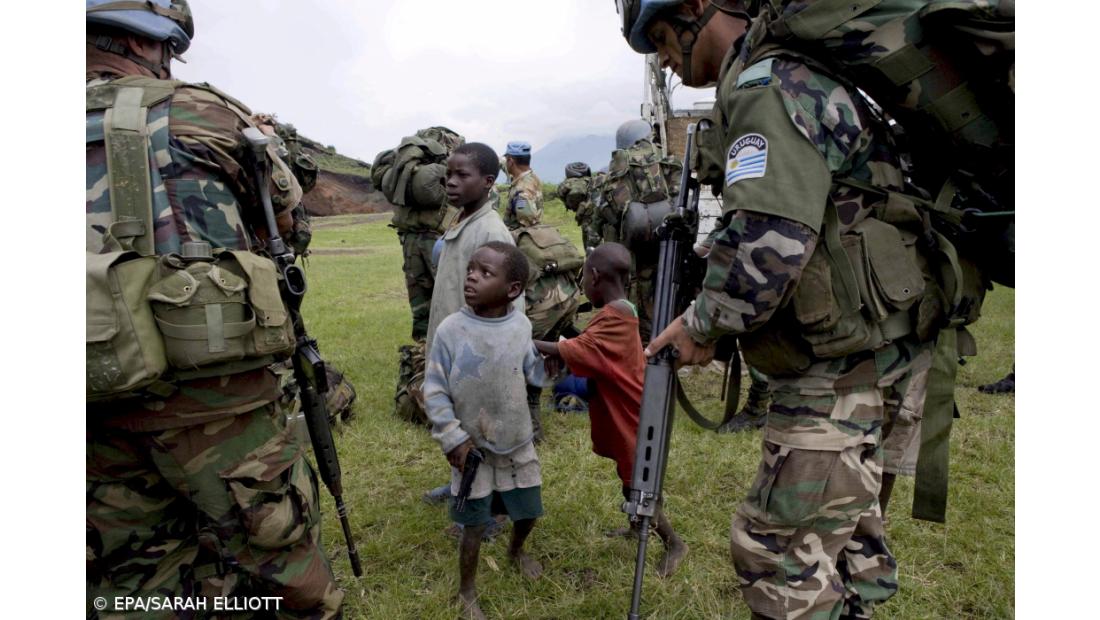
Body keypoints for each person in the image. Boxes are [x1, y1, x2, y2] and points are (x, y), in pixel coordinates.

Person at [618, 1, 941, 617]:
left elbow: (773, 245)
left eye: (661, 38)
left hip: (839, 373)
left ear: (696, 11)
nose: (663, 58)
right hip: (879, 348)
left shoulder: (766, 88)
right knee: (846, 541)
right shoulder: (797, 73)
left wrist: (703, 324)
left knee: (779, 554)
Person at [85, 1, 342, 616]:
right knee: (278, 561)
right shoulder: (203, 112)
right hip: (214, 399)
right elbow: (288, 225)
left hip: (90, 395)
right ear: (151, 43)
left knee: (130, 580)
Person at [534, 242, 687, 577]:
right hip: (626, 407)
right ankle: (635, 527)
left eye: (584, 278)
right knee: (627, 477)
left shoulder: (616, 316)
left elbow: (584, 349)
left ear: (594, 276)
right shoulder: (619, 309)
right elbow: (588, 350)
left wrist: (526, 341)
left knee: (639, 485)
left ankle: (674, 542)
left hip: (635, 417)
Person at [424, 242, 549, 620]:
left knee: (527, 509)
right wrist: (452, 437)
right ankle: (467, 590)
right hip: (471, 450)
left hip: (516, 440)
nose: (471, 277)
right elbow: (434, 389)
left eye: (484, 273)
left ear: (512, 289)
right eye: (470, 269)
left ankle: (516, 550)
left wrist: (548, 370)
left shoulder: (521, 325)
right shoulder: (451, 330)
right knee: (474, 525)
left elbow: (529, 370)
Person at [421, 142, 520, 533]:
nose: (451, 182)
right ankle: (462, 485)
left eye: (463, 175)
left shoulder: (491, 230)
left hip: (478, 355)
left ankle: (489, 514)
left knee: (484, 433)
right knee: (461, 427)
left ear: (488, 181)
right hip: (454, 348)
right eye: (449, 174)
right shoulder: (463, 219)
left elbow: (507, 299)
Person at [502, 141, 580, 442]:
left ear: (511, 161)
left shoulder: (521, 189)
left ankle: (530, 427)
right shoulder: (533, 179)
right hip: (552, 283)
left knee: (524, 351)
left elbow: (525, 217)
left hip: (525, 256)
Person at [501, 141, 543, 229]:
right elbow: (503, 164)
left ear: (510, 161)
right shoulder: (531, 177)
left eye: (506, 160)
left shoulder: (523, 191)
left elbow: (528, 227)